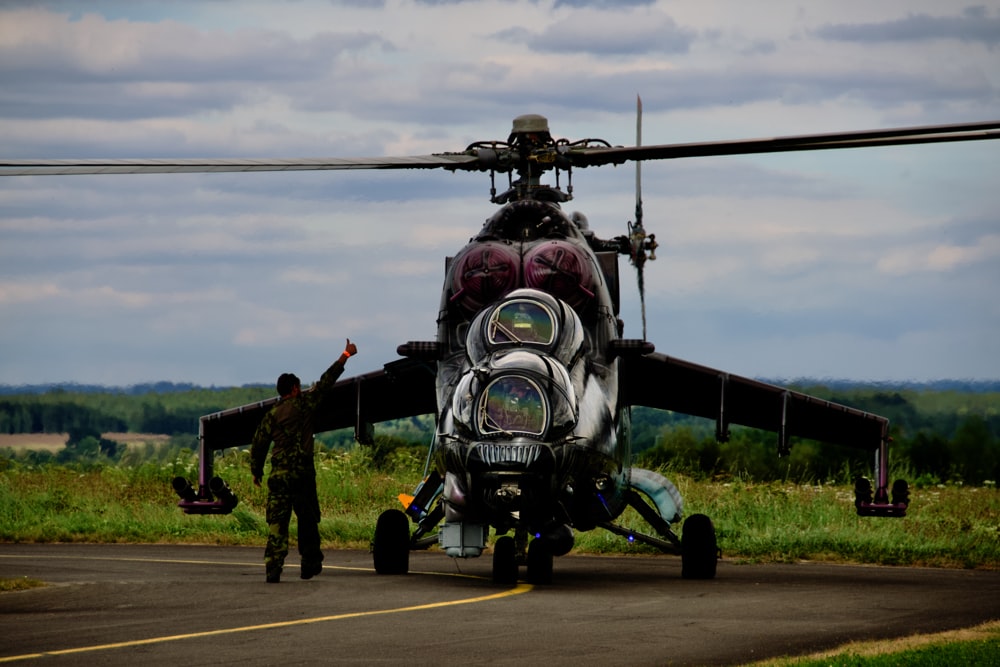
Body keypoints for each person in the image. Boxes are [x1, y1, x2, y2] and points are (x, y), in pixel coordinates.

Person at [250, 339, 359, 583]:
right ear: (296, 389)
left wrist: (256, 471)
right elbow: (326, 381)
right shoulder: (305, 404)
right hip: (302, 476)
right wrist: (345, 355)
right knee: (307, 521)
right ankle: (309, 564)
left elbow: (258, 444)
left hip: (278, 477)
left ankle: (273, 568)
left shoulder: (272, 415)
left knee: (277, 524)